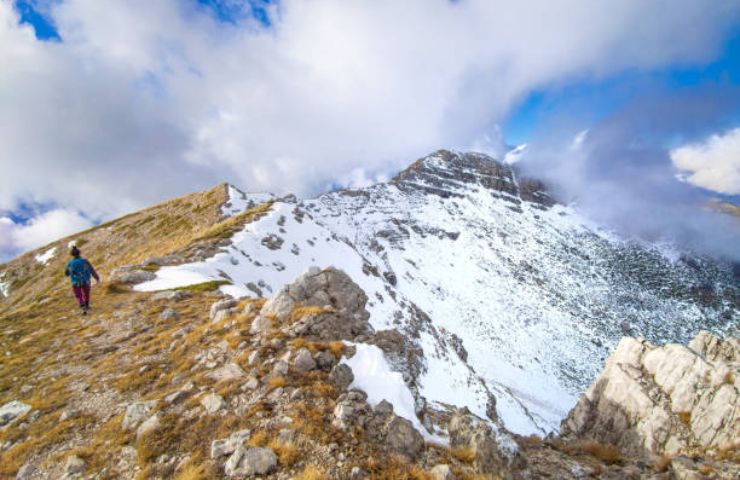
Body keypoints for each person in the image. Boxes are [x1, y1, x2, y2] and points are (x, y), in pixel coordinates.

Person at [64, 245, 100, 314]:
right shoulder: (85, 261)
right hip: (86, 280)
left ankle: (82, 306)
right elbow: (91, 270)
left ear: (72, 255)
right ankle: (87, 305)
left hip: (75, 282)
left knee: (79, 295)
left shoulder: (70, 263)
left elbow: (66, 273)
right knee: (86, 293)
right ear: (79, 253)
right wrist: (97, 278)